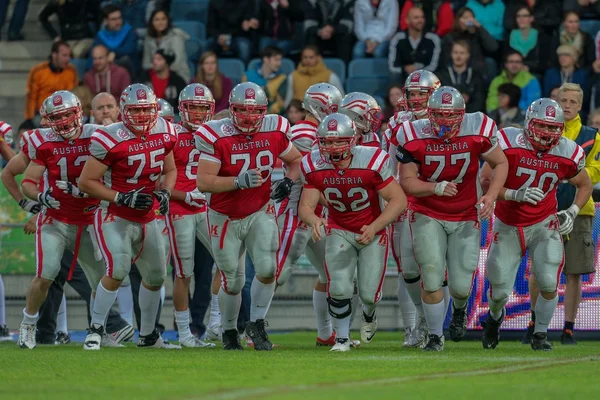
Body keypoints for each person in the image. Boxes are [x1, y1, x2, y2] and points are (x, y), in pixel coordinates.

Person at [394, 86, 508, 351]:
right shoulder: (412, 134)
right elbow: (407, 182)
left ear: (462, 114)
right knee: (431, 273)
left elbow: (501, 163)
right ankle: (435, 336)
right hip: (427, 211)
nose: (444, 121)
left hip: (466, 212)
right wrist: (434, 187)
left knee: (460, 286)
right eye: (439, 115)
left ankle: (459, 308)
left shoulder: (478, 128)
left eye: (450, 115)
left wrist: (491, 195)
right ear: (429, 114)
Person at [195, 82, 303, 350]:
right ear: (231, 110)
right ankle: (229, 330)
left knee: (268, 270)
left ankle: (256, 324)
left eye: (255, 111)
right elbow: (204, 182)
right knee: (233, 281)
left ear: (264, 111)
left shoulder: (275, 128)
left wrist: (288, 181)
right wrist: (237, 181)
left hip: (260, 209)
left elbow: (296, 160)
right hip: (224, 215)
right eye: (242, 110)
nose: (248, 116)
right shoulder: (216, 134)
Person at [480, 98, 592, 351]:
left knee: (549, 281)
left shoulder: (568, 151)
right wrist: (513, 194)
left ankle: (540, 334)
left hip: (544, 222)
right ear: (529, 124)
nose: (548, 133)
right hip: (508, 223)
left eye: (554, 127)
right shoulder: (508, 142)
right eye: (543, 126)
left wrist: (573, 211)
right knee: (499, 290)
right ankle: (494, 320)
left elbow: (584, 184)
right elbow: (485, 181)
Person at [79, 83, 180, 350]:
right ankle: (97, 329)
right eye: (135, 110)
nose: (142, 116)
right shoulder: (110, 137)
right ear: (124, 111)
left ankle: (148, 336)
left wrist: (166, 193)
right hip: (114, 213)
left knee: (157, 276)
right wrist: (119, 196)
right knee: (117, 270)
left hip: (147, 215)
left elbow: (170, 170)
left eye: (146, 110)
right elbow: (86, 181)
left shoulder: (166, 131)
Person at [298, 112, 407, 352]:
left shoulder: (371, 160)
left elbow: (398, 200)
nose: (332, 146)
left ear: (353, 140)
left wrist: (376, 226)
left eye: (338, 140)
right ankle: (342, 339)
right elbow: (305, 205)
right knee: (339, 286)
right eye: (326, 141)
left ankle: (369, 314)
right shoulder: (313, 164)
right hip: (339, 228)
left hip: (372, 229)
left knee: (368, 294)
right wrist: (314, 218)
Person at [17, 91, 113, 349]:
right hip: (56, 219)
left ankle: (98, 329)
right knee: (46, 274)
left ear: (79, 112)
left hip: (89, 219)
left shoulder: (96, 134)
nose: (64, 121)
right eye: (57, 117)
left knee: (99, 281)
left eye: (68, 114)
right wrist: (42, 197)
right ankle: (27, 324)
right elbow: (27, 181)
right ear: (48, 119)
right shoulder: (43, 141)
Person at [524, 83, 600, 345]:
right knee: (538, 269)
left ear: (580, 106)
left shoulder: (592, 135)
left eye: (572, 102)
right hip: (543, 210)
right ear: (555, 102)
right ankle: (534, 324)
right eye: (563, 100)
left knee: (574, 272)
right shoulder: (538, 129)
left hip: (579, 211)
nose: (567, 105)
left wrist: (567, 174)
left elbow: (595, 170)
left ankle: (568, 327)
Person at [385, 70, 449, 348]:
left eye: (421, 93)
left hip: (439, 200)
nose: (415, 98)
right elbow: (388, 165)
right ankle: (416, 322)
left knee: (436, 267)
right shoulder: (398, 122)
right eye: (411, 93)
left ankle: (435, 328)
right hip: (406, 198)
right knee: (407, 269)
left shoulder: (450, 118)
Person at [276, 83, 342, 347]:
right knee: (276, 273)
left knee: (331, 271)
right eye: (333, 107)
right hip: (296, 210)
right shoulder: (305, 132)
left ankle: (326, 333)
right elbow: (308, 179)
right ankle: (250, 328)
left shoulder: (316, 131)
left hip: (315, 212)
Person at [161, 83, 217, 348]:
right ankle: (185, 333)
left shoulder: (218, 133)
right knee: (183, 272)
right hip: (180, 208)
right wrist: (184, 195)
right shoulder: (170, 133)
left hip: (208, 208)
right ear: (182, 108)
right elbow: (157, 180)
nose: (197, 113)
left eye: (202, 107)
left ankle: (217, 323)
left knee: (227, 263)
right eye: (192, 107)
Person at [24, 41, 78, 129]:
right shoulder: (38, 71)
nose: (68, 59)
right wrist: (29, 118)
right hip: (43, 115)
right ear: (54, 55)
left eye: (69, 56)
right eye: (64, 55)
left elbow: (75, 94)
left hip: (65, 114)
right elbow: (31, 97)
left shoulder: (72, 71)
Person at [388, 7, 442, 82]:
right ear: (407, 20)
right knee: (394, 76)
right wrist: (405, 69)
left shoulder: (433, 39)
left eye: (422, 17)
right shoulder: (398, 38)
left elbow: (434, 65)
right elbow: (392, 66)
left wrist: (417, 70)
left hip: (425, 77)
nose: (420, 20)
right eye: (416, 18)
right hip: (403, 75)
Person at [441, 7, 498, 76]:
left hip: (477, 71)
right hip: (457, 69)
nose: (468, 21)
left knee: (490, 62)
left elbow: (493, 47)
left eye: (471, 18)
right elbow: (446, 60)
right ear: (458, 19)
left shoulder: (477, 34)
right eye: (465, 18)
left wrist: (479, 27)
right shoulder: (449, 37)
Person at [90, 4, 139, 78]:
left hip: (127, 71)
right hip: (104, 72)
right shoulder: (100, 36)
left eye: (119, 18)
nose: (118, 22)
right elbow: (93, 53)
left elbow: (129, 50)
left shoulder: (129, 31)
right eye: (114, 19)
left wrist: (112, 52)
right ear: (106, 21)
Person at [142, 9, 190, 83]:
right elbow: (146, 63)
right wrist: (157, 71)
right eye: (157, 20)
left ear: (168, 21)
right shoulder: (148, 39)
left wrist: (161, 71)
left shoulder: (176, 37)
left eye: (163, 19)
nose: (160, 22)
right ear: (152, 22)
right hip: (154, 74)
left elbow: (177, 64)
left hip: (177, 75)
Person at [437, 40, 485, 113]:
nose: (458, 56)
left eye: (462, 53)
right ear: (451, 54)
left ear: (468, 55)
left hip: (469, 116)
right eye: (455, 52)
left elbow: (479, 101)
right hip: (445, 115)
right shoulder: (442, 74)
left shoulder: (475, 76)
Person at [205, 0, 256, 65]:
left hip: (238, 36)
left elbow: (249, 23)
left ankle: (245, 74)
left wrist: (248, 25)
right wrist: (218, 36)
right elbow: (210, 26)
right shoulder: (214, 2)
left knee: (244, 46)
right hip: (218, 37)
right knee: (206, 46)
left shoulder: (247, 2)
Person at [505, 5, 548, 78]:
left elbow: (545, 63)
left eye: (524, 16)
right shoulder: (509, 37)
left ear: (531, 18)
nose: (521, 19)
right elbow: (505, 60)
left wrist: (529, 68)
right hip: (513, 71)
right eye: (518, 16)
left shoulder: (541, 37)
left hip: (534, 72)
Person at [243, 46, 288, 115]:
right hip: (249, 114)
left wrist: (266, 113)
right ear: (266, 59)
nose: (279, 64)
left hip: (271, 116)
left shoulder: (282, 78)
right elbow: (242, 98)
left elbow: (281, 102)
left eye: (280, 60)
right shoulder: (248, 76)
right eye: (276, 60)